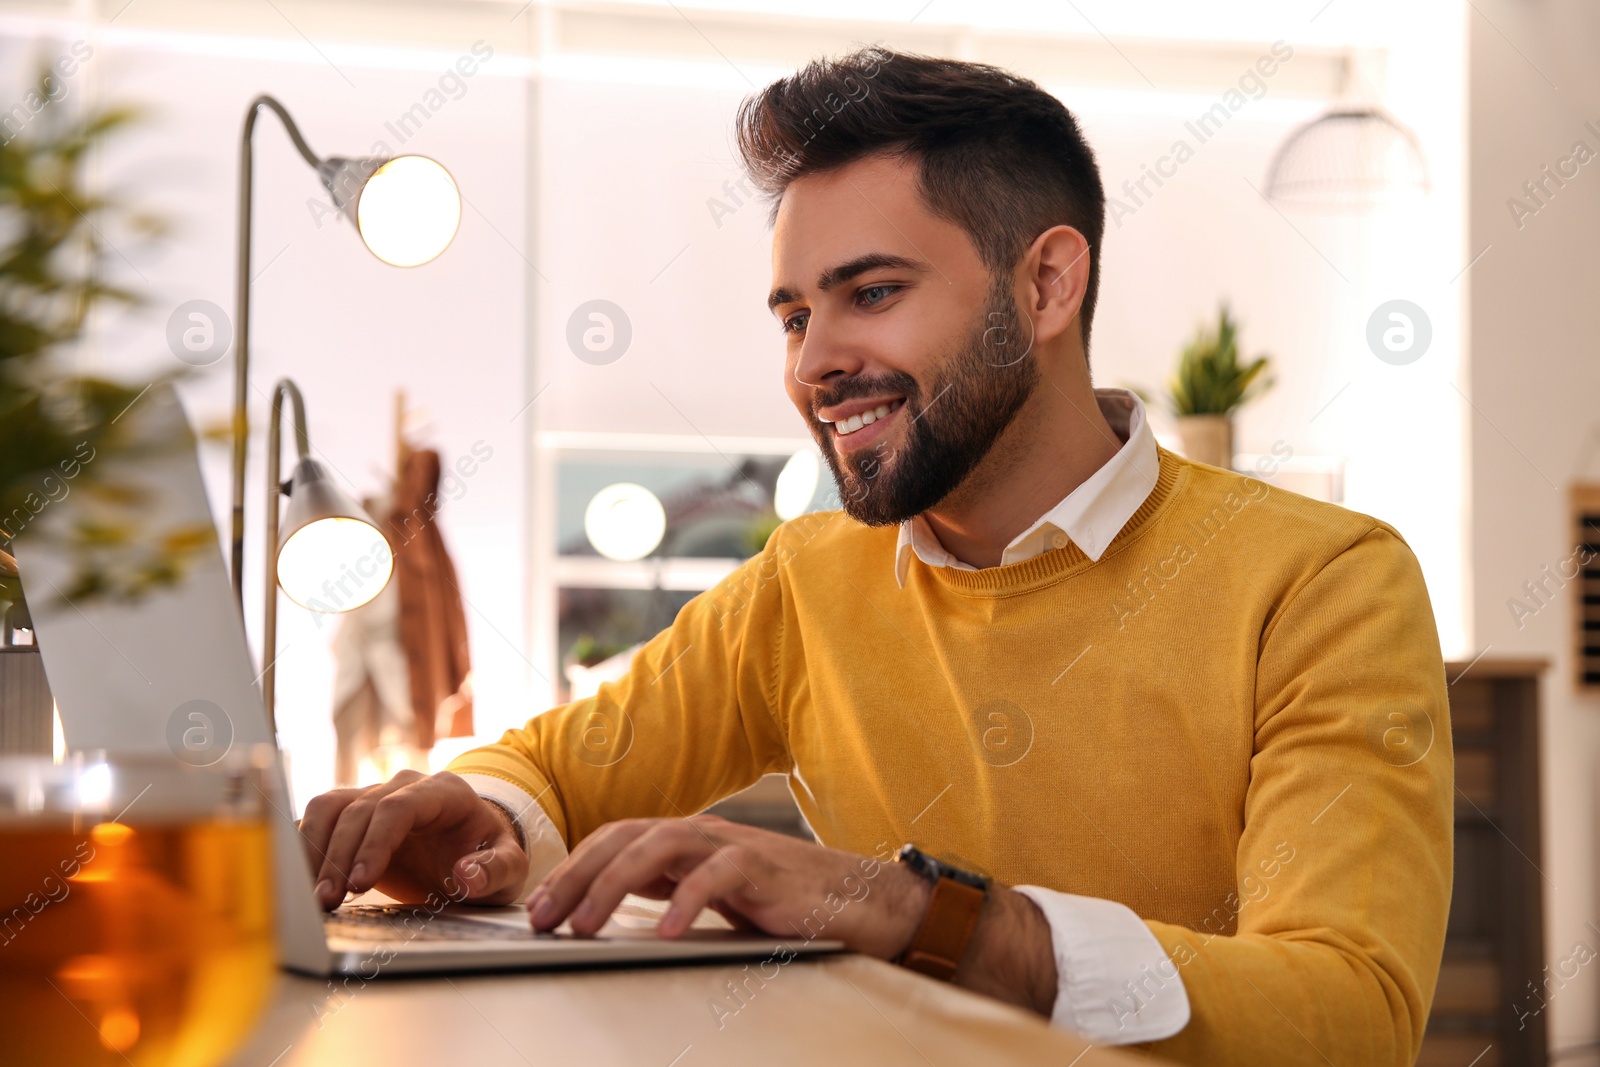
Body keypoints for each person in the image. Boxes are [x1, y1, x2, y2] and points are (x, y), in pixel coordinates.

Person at [297, 46, 1452, 1064]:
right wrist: (477, 823)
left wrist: (931, 915)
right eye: (795, 315)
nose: (812, 363)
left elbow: (1348, 1013)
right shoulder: (807, 584)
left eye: (873, 294)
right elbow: (552, 772)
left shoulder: (1320, 581)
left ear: (1045, 283)